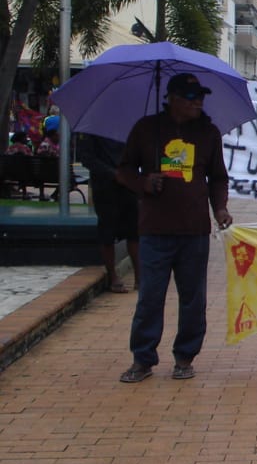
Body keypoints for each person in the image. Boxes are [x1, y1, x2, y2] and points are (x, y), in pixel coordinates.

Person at [115, 73, 232, 384]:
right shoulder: (146, 130)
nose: (197, 102)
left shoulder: (208, 133)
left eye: (200, 97)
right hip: (155, 229)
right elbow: (123, 170)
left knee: (193, 298)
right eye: (190, 96)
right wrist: (144, 183)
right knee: (150, 297)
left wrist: (219, 208)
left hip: (194, 231)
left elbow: (218, 177)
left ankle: (185, 357)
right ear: (172, 98)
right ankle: (143, 359)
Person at [78, 133, 141, 294]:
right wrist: (112, 174)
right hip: (105, 187)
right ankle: (113, 276)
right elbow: (86, 158)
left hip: (129, 185)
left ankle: (140, 277)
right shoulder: (92, 131)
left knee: (134, 231)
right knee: (108, 232)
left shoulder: (130, 127)